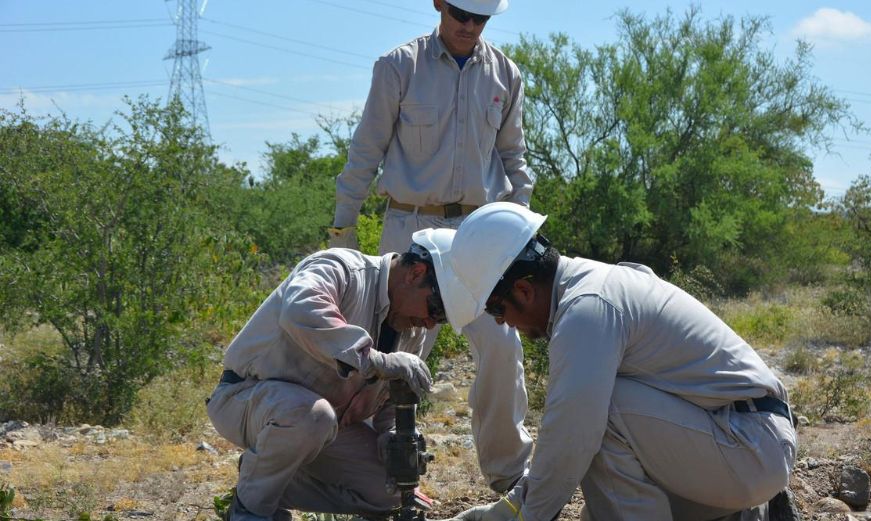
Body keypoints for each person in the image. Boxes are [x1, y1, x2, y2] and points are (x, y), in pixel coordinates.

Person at [427, 203, 799, 521]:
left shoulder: (587, 309)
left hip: (749, 446)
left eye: (496, 308)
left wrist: (526, 513)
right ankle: (733, 512)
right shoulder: (591, 287)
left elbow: (572, 433)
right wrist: (515, 504)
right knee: (602, 506)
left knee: (597, 417)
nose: (500, 321)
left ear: (524, 290)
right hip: (744, 441)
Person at [328, 0, 534, 500]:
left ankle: (512, 477)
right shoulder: (398, 66)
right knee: (391, 353)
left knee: (503, 344)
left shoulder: (505, 74)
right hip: (409, 228)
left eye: (480, 18)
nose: (468, 26)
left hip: (478, 231)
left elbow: (515, 158)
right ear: (440, 4)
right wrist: (343, 229)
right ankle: (379, 475)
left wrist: (519, 224)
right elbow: (366, 150)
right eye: (461, 12)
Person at [207, 235, 452, 521]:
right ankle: (250, 509)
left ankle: (266, 479)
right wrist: (377, 361)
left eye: (442, 318)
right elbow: (300, 309)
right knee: (312, 416)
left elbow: (389, 400)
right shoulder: (342, 268)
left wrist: (392, 436)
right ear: (416, 273)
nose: (431, 322)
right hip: (246, 397)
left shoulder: (413, 330)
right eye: (435, 309)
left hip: (325, 425)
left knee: (389, 489)